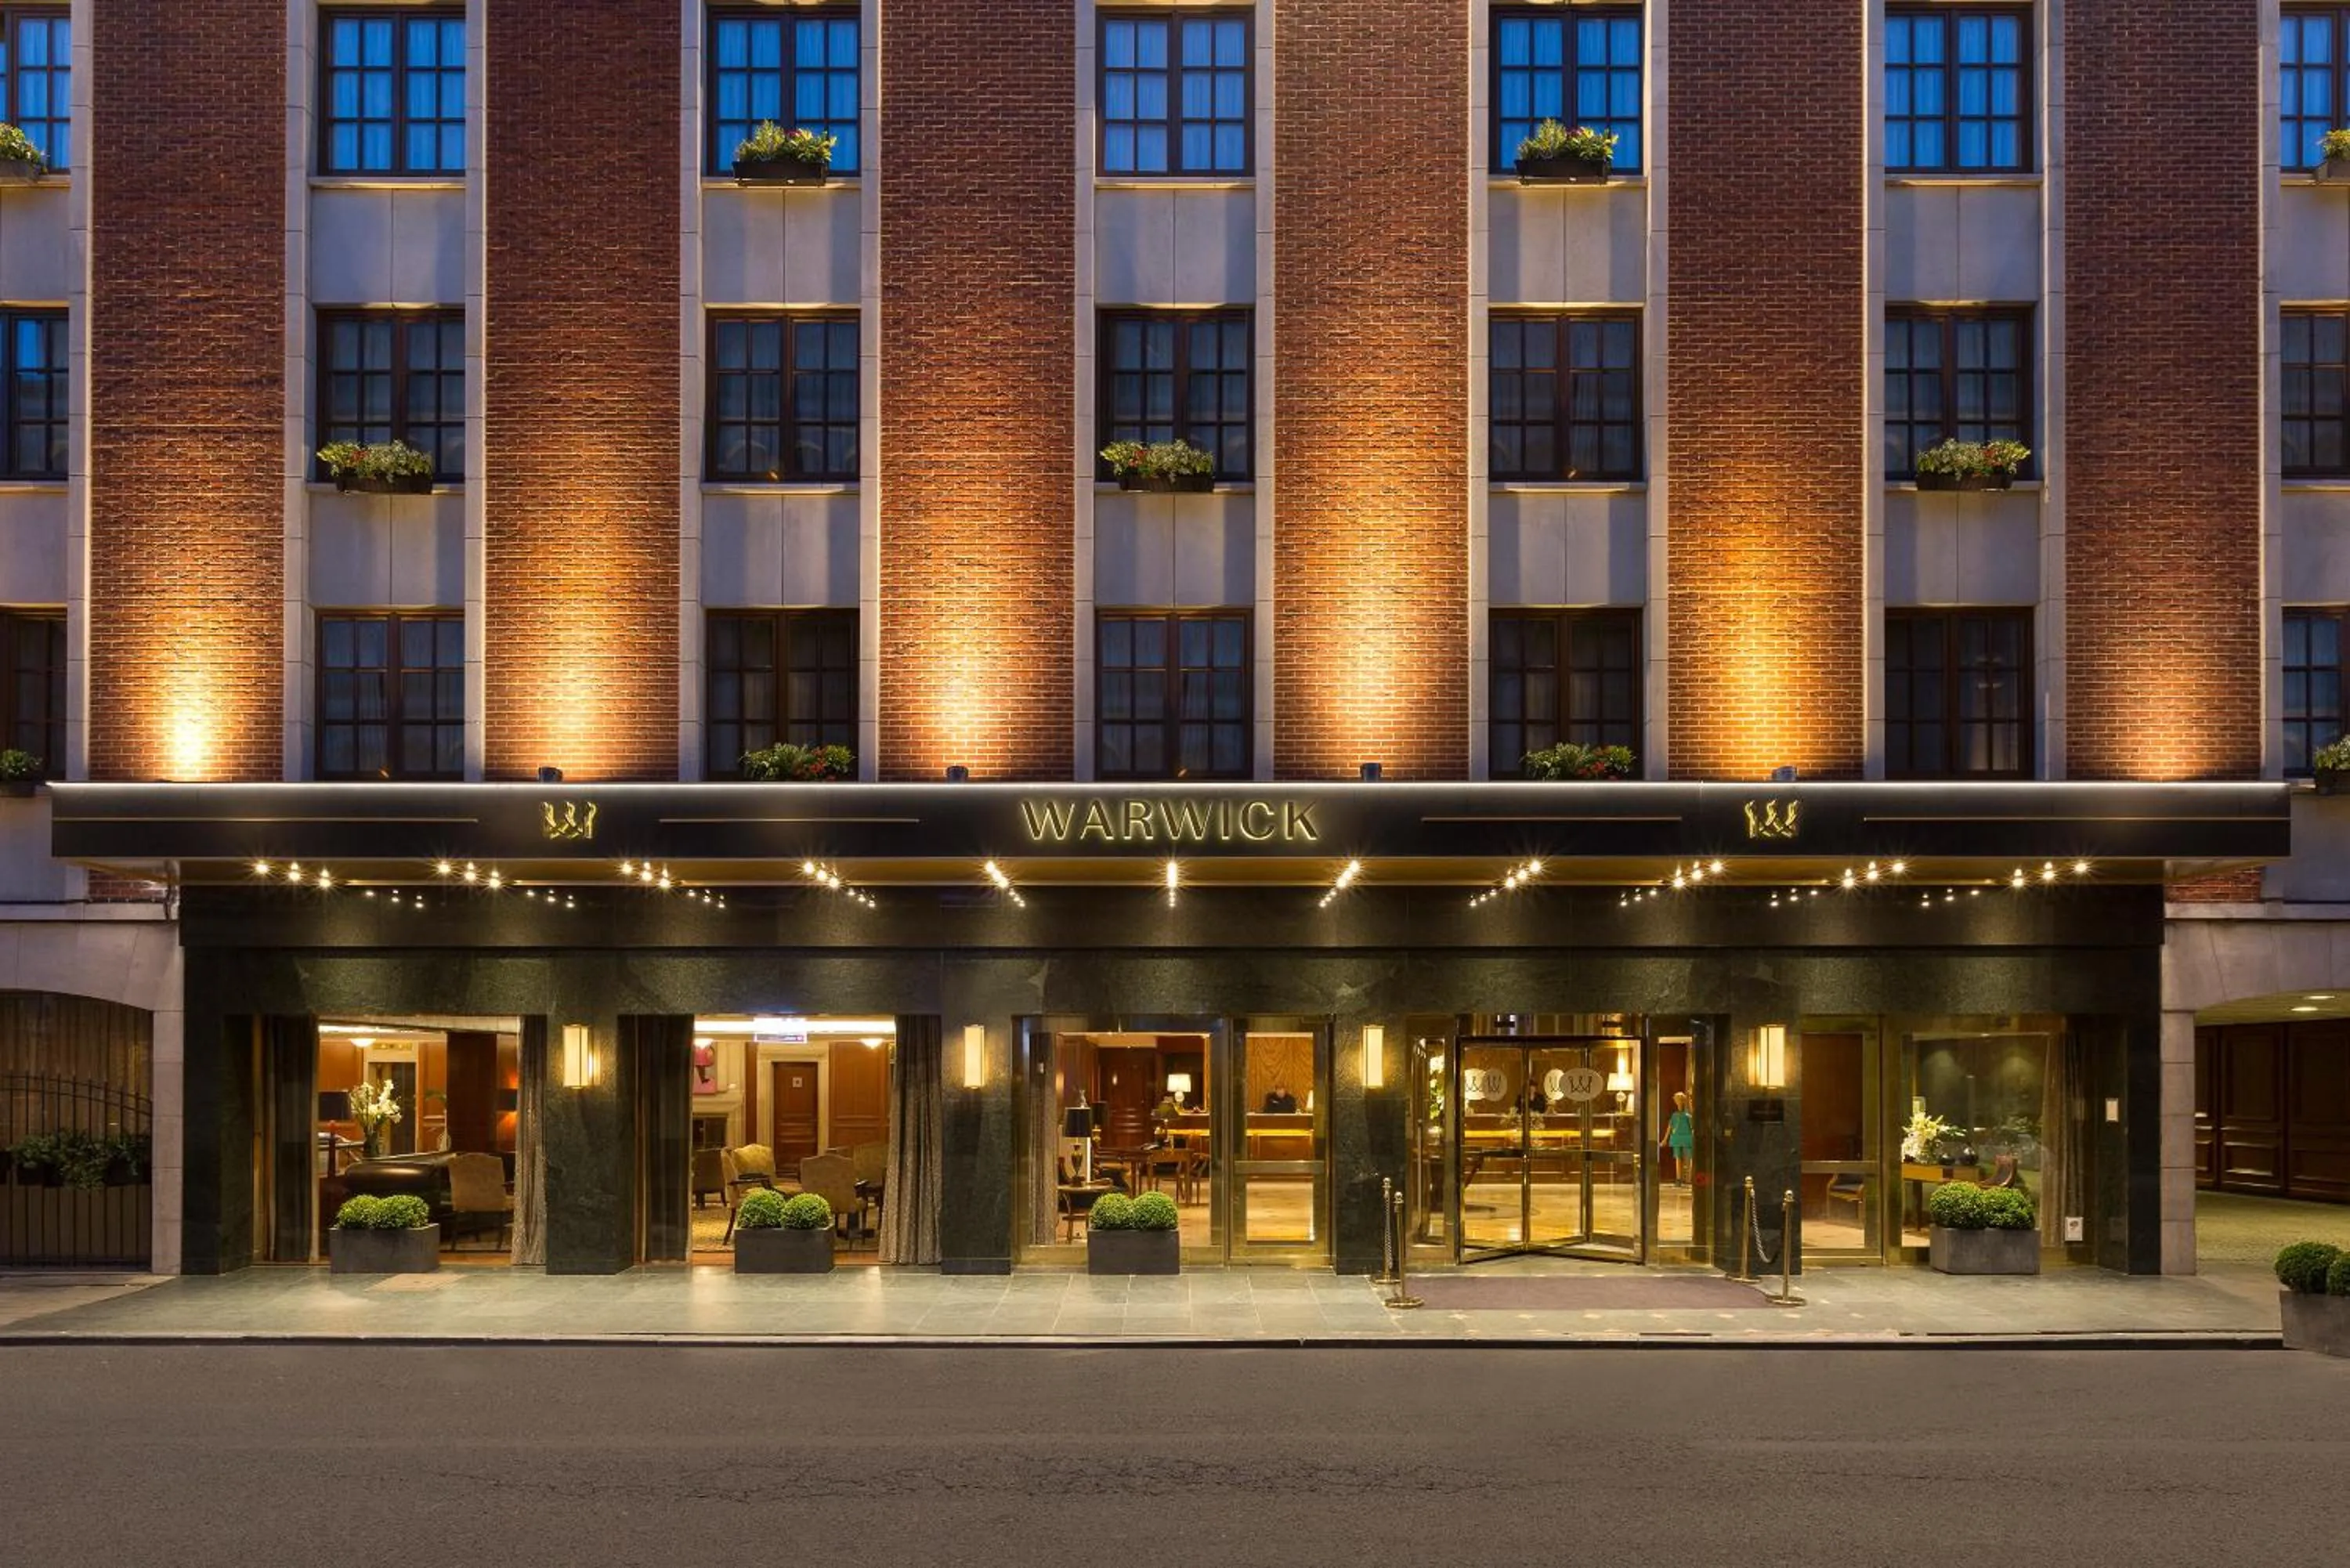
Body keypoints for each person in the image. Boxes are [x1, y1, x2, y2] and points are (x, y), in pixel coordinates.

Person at [1665, 1090, 1695, 1185]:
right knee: (1678, 1157)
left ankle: (1689, 1178)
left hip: (1687, 1137)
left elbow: (1692, 1126)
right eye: (1677, 1101)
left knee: (1689, 1157)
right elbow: (1670, 1127)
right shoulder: (1675, 1115)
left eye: (1680, 1100)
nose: (1678, 1103)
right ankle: (1679, 1178)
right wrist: (1665, 1140)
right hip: (1677, 1137)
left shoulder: (1687, 1115)